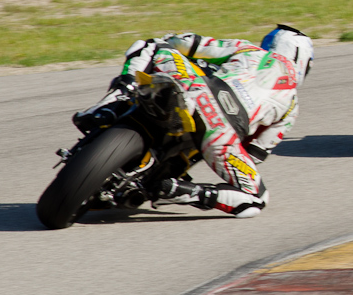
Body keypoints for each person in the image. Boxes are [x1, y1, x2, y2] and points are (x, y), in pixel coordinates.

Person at [73, 25, 313, 218]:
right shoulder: (292, 107)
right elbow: (255, 154)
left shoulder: (250, 50)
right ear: (303, 62)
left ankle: (111, 104)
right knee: (256, 199)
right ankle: (183, 191)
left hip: (196, 92)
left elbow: (187, 42)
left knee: (151, 44)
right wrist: (214, 152)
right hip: (222, 135)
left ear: (271, 43)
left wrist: (176, 42)